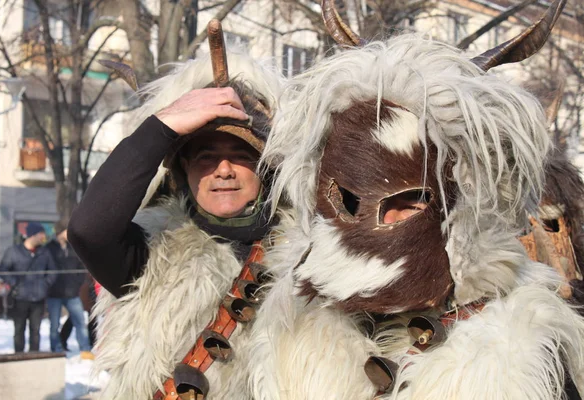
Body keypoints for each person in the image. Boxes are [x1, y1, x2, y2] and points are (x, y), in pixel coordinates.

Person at [243, 1, 584, 399]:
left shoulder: (516, 347)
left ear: (460, 204)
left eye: (411, 199)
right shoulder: (291, 338)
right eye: (356, 201)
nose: (382, 219)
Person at [67, 21, 287, 400]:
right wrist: (163, 125)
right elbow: (90, 230)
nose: (223, 170)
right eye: (206, 157)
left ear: (265, 169)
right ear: (184, 170)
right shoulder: (153, 251)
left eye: (240, 157)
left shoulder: (306, 256)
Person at [0, 222, 56, 353]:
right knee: (19, 329)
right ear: (33, 235)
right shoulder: (13, 251)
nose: (43, 237)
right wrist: (14, 283)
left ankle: (33, 356)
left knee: (35, 330)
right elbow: (3, 270)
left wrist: (44, 284)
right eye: (41, 234)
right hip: (20, 298)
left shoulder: (44, 252)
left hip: (38, 298)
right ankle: (19, 356)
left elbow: (53, 271)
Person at [46, 222, 93, 359]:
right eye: (66, 231)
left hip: (72, 293)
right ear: (60, 232)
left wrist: (77, 283)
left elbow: (80, 267)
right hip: (54, 294)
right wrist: (48, 285)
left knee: (80, 322)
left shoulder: (73, 248)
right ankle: (56, 350)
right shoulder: (49, 249)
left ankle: (85, 349)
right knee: (54, 324)